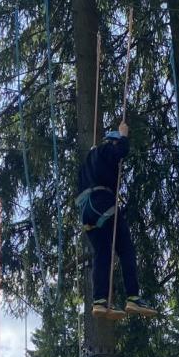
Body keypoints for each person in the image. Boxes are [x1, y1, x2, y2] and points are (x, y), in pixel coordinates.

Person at [75, 121, 156, 316]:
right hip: (103, 204)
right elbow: (120, 151)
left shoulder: (88, 162)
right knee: (126, 249)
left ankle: (99, 302)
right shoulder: (106, 149)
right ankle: (133, 298)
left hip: (87, 211)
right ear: (112, 142)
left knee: (102, 253)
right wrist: (123, 135)